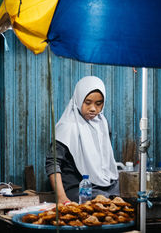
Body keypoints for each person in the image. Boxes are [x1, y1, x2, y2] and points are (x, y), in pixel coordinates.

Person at [45, 76, 119, 204]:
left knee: (126, 200)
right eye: (88, 102)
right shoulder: (67, 127)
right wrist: (61, 198)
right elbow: (53, 163)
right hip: (79, 187)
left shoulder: (102, 124)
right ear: (78, 99)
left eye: (98, 103)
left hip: (104, 185)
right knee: (104, 203)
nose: (93, 109)